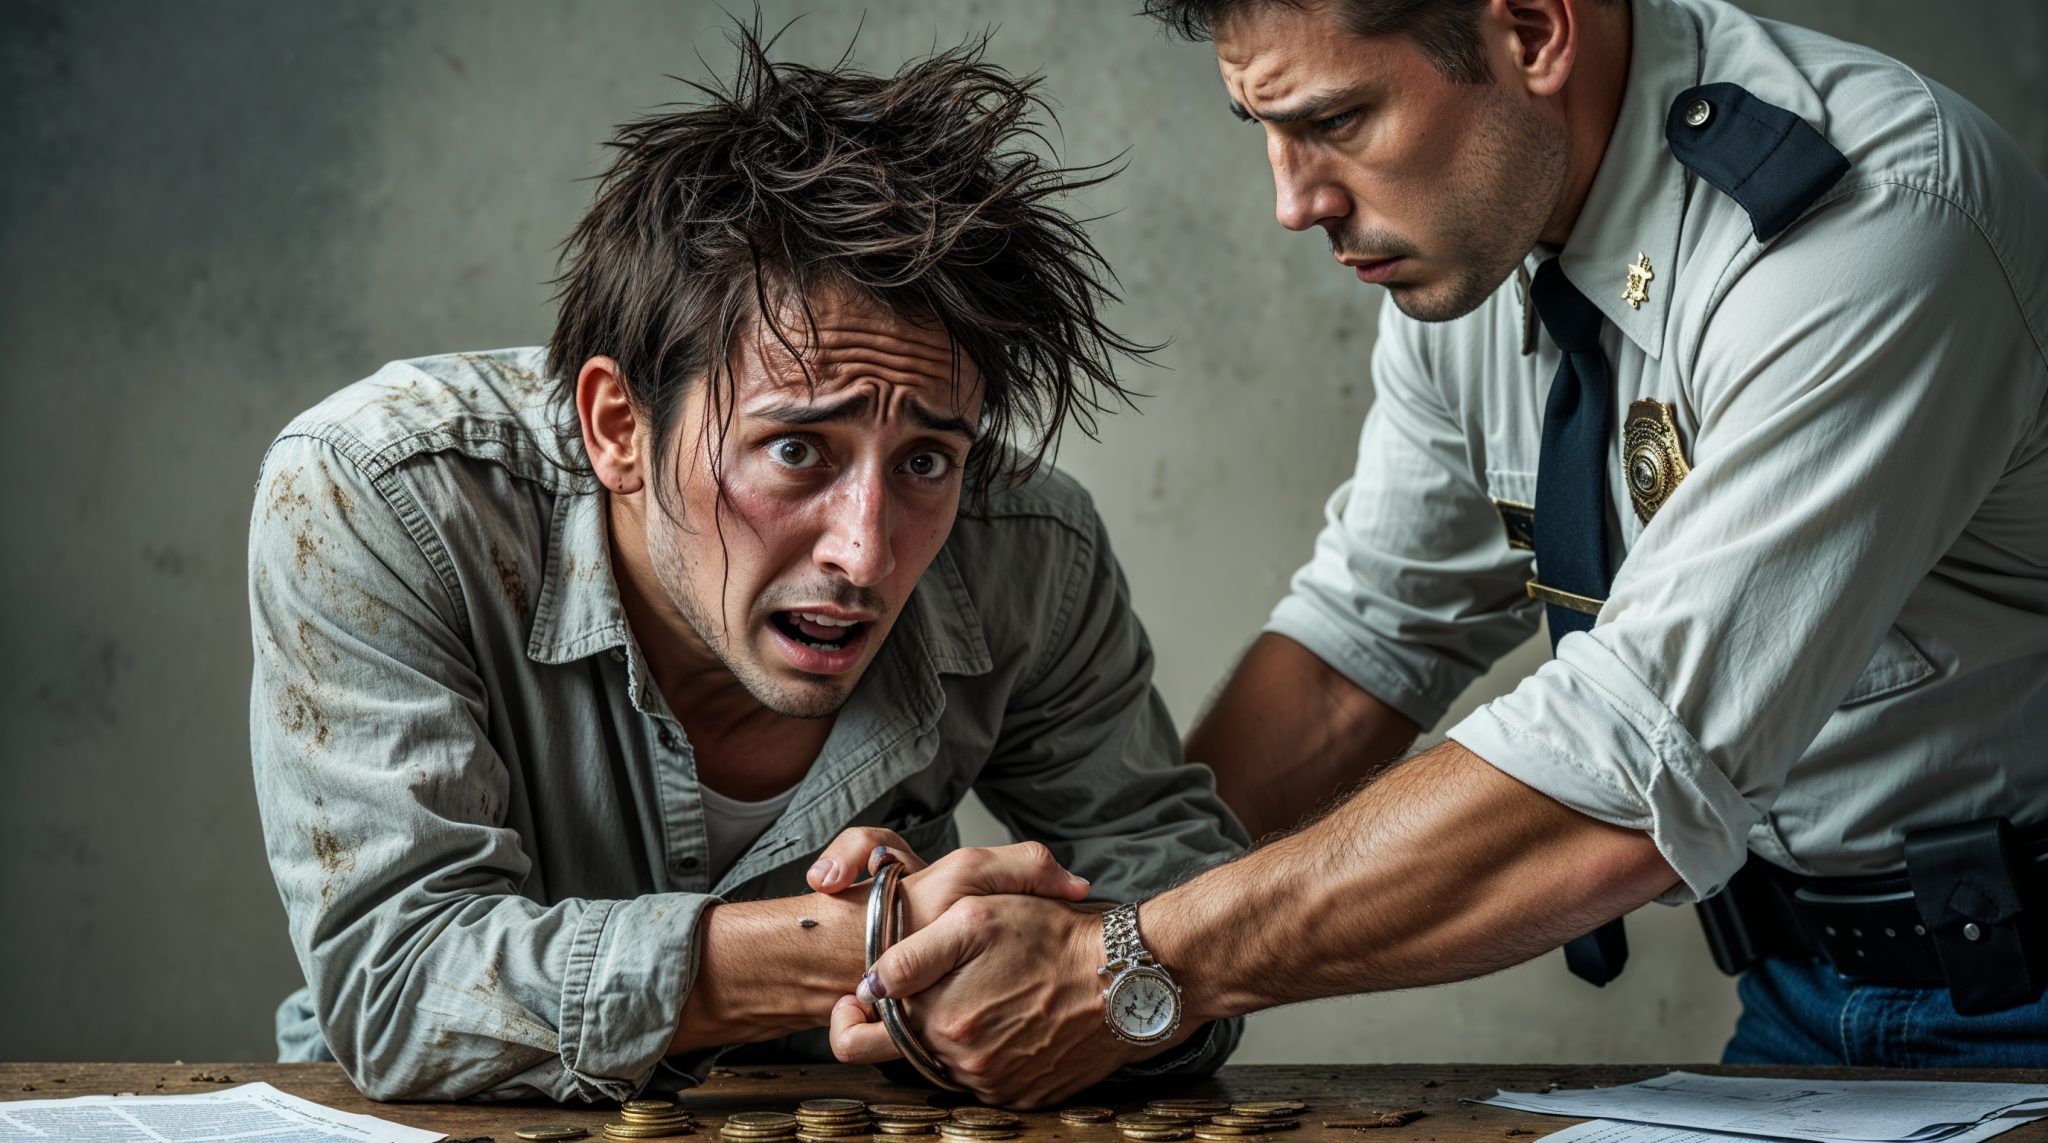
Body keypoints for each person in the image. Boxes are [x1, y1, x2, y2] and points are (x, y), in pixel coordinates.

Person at [833, 0, 2048, 1104]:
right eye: (1263, 127)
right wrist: (1054, 930)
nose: (1292, 202)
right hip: (1796, 997)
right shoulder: (1476, 249)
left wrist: (1125, 967)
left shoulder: (1864, 228)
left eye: (1336, 121)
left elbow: (1628, 768)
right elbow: (1357, 651)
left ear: (1532, 31)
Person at [246, 25, 1247, 1103]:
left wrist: (1085, 973)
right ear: (618, 427)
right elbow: (402, 981)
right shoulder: (383, 494)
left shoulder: (1032, 551)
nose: (864, 549)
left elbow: (1184, 910)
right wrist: (879, 940)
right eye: (796, 451)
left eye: (924, 460)